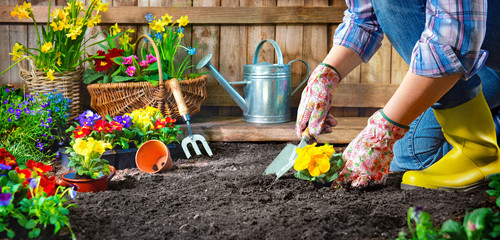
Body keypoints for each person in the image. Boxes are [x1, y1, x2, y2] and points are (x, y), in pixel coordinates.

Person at [295, 0, 500, 190]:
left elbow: (454, 38)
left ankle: (478, 151)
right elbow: (363, 18)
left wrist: (382, 131)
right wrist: (324, 77)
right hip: (477, 58)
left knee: (411, 153)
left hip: (467, 46)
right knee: (410, 155)